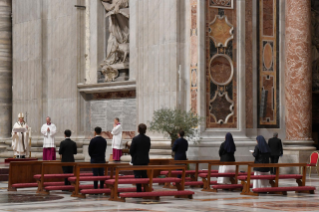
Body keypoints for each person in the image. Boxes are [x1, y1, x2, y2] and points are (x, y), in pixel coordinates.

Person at [130, 123, 151, 192]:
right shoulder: (147, 139)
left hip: (137, 160)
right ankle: (145, 190)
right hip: (145, 160)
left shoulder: (135, 139)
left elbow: (131, 150)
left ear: (138, 130)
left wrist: (134, 156)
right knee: (144, 175)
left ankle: (138, 191)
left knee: (137, 176)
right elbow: (148, 149)